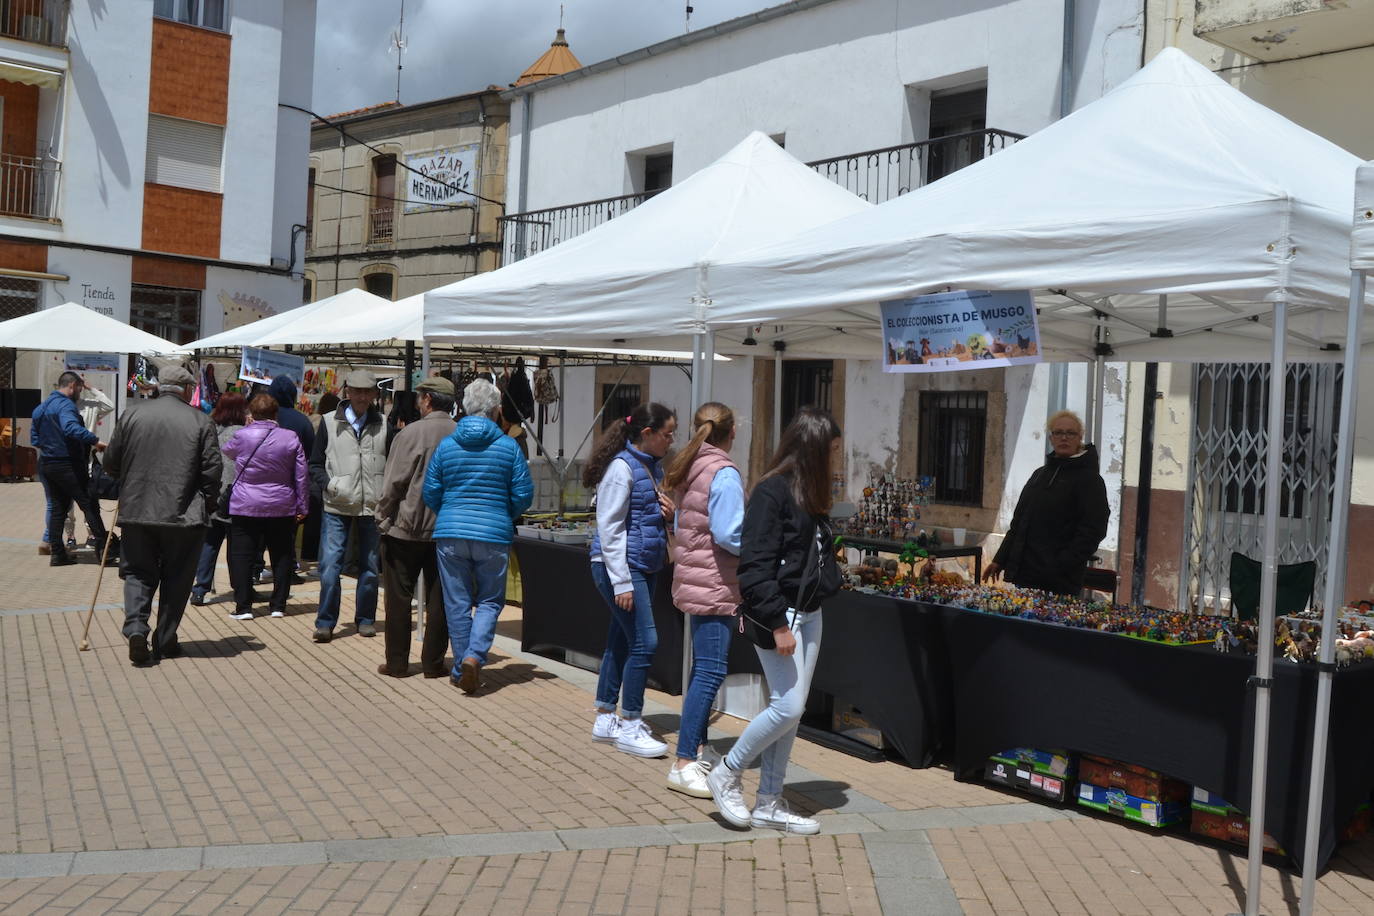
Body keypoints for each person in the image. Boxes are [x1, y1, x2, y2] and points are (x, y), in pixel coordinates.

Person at [707, 407, 843, 835]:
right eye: (833, 450)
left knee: (791, 714)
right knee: (788, 705)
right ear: (814, 449)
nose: (837, 459)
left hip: (810, 612)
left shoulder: (811, 492)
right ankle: (727, 772)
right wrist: (779, 624)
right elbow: (754, 565)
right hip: (781, 614)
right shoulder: (773, 491)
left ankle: (769, 799)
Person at [103, 366, 222, 665]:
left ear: (159, 387)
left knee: (137, 573)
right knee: (178, 578)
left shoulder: (132, 415)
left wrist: (128, 480)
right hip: (184, 515)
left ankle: (135, 628)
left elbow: (110, 462)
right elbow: (212, 470)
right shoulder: (200, 420)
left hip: (137, 509)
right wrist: (210, 500)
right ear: (185, 390)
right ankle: (165, 638)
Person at [422, 379, 533, 693]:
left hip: (451, 533)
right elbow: (523, 495)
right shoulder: (509, 447)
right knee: (488, 601)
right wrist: (502, 514)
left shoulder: (447, 446)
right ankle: (472, 657)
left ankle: (461, 666)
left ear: (464, 408)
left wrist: (449, 512)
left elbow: (431, 491)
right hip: (493, 534)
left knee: (456, 602)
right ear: (497, 410)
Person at [662, 402, 745, 797]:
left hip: (696, 576)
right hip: (713, 580)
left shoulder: (689, 464)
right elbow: (730, 534)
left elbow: (680, 522)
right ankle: (683, 761)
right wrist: (760, 546)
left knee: (703, 670)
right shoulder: (722, 471)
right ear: (731, 432)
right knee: (710, 671)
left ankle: (697, 745)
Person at [585, 402, 677, 758]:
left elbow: (644, 520)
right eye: (667, 434)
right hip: (623, 567)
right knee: (644, 641)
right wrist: (621, 581)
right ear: (647, 434)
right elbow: (608, 527)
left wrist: (671, 516)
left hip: (643, 564)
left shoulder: (650, 467)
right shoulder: (622, 469)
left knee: (621, 640)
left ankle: (606, 715)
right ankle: (630, 723)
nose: (671, 440)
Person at [375, 378, 457, 678]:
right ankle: (433, 663)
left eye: (420, 398)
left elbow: (393, 482)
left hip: (406, 527)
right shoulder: (459, 433)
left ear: (427, 400)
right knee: (441, 599)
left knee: (398, 599)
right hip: (446, 528)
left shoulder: (410, 433)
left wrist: (381, 516)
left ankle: (397, 663)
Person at [983, 409, 1110, 596]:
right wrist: (1000, 559)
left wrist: (1059, 564)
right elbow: (1018, 523)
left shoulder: (1089, 480)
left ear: (1079, 438)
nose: (1064, 438)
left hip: (1060, 583)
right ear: (1051, 438)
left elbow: (1092, 531)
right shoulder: (1039, 475)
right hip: (1025, 577)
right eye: (1058, 433)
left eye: (1070, 433)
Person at [309, 369, 387, 642]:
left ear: (375, 394)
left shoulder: (384, 424)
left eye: (368, 392)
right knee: (330, 565)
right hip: (337, 503)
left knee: (369, 566)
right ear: (348, 393)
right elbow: (315, 464)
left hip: (371, 505)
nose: (362, 397)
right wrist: (330, 485)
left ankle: (365, 619)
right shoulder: (329, 422)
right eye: (357, 391)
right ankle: (325, 621)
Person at [223, 394, 309, 619]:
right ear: (275, 414)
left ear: (251, 413)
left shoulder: (242, 435)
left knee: (242, 554)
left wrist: (248, 427)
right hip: (282, 504)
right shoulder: (290, 437)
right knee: (281, 554)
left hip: (245, 503)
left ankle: (243, 607)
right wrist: (303, 505)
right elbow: (301, 475)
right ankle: (279, 605)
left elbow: (228, 451)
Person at [30, 371, 113, 567]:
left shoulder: (40, 408)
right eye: (79, 388)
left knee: (58, 508)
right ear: (73, 385)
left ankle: (57, 554)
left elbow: (35, 439)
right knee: (89, 504)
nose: (79, 393)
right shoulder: (66, 405)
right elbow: (70, 428)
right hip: (68, 464)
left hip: (47, 464)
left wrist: (52, 447)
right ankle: (104, 551)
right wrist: (95, 440)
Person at [191, 393, 247, 606]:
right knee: (237, 546)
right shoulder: (243, 434)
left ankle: (200, 589)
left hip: (213, 495)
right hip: (236, 497)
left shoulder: (210, 430)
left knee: (210, 544)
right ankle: (240, 587)